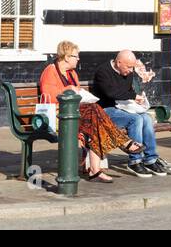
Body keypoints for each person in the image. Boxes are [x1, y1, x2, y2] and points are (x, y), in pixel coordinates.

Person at [39, 41, 144, 183]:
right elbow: (49, 96)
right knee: (95, 113)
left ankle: (96, 171)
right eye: (76, 56)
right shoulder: (50, 72)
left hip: (76, 113)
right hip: (59, 116)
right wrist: (68, 89)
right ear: (66, 57)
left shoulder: (72, 74)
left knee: (95, 120)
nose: (78, 59)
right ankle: (121, 143)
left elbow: (77, 95)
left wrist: (78, 93)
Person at [91, 50, 169, 178]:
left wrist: (137, 102)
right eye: (128, 67)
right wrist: (133, 96)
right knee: (136, 119)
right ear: (118, 62)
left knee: (147, 118)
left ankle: (150, 159)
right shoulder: (103, 72)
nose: (131, 70)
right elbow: (111, 93)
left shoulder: (128, 73)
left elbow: (126, 92)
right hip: (104, 110)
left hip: (122, 107)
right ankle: (135, 160)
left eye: (132, 67)